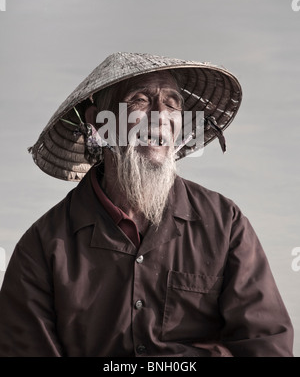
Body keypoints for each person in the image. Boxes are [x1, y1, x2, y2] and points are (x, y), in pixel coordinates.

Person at [0, 52, 294, 357]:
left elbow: (266, 343)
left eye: (172, 103)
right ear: (100, 125)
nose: (159, 116)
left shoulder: (224, 223)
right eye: (140, 100)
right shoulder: (44, 246)